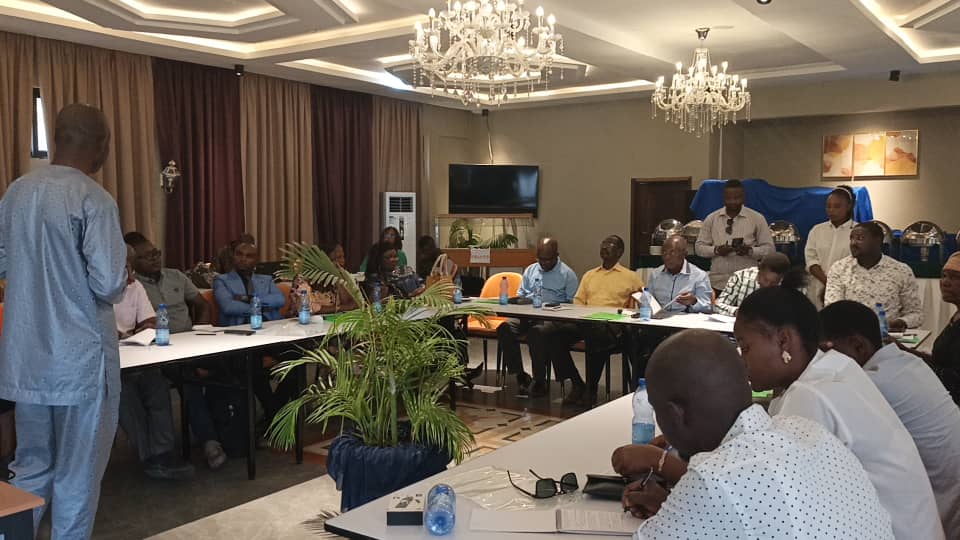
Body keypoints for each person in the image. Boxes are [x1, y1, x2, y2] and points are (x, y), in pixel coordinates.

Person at [614, 330, 893, 539]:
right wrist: (680, 510)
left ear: (676, 413)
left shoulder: (714, 479)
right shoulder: (810, 431)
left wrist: (681, 509)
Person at [0, 103, 128, 538]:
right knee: (78, 474)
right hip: (80, 361)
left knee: (30, 468)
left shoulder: (16, 192)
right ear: (101, 145)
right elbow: (108, 284)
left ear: (57, 138)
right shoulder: (94, 199)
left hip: (27, 358)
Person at [735, 286, 944, 540]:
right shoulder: (835, 366)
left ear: (783, 341)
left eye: (746, 347)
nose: (741, 359)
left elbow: (780, 498)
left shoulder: (809, 395)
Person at [821, 300, 960, 536]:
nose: (823, 360)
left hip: (943, 503)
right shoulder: (905, 362)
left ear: (858, 345)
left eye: (827, 351)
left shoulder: (874, 383)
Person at [126, 233, 230, 469]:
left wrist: (199, 330)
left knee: (230, 365)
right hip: (160, 351)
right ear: (133, 262)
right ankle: (210, 441)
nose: (155, 259)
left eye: (156, 253)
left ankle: (231, 429)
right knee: (189, 380)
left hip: (192, 342)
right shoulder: (133, 287)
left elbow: (202, 305)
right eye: (147, 257)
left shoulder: (176, 276)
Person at [116, 244, 194, 481]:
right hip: (105, 364)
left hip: (135, 354)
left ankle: (163, 453)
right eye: (124, 268)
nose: (131, 275)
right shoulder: (92, 290)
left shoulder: (135, 286)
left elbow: (151, 321)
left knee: (157, 385)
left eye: (130, 268)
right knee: (125, 394)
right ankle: (149, 458)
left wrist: (132, 333)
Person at [549, 235, 644, 406]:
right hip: (585, 322)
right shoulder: (590, 275)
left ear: (620, 252)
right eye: (603, 244)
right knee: (554, 335)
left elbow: (643, 300)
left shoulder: (630, 276)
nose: (605, 247)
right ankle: (577, 383)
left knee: (596, 335)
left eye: (610, 245)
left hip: (612, 327)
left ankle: (591, 389)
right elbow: (578, 302)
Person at [496, 238, 579, 396]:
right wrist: (521, 301)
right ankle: (520, 375)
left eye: (547, 260)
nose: (543, 263)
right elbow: (521, 293)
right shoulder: (531, 270)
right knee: (504, 328)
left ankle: (539, 380)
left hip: (552, 317)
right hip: (527, 313)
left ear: (556, 256)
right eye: (540, 259)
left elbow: (573, 304)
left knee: (537, 333)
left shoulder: (567, 274)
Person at [825, 221, 923, 330]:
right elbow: (833, 311)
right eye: (851, 238)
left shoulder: (901, 271)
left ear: (877, 241)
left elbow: (916, 314)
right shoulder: (839, 268)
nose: (853, 243)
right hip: (850, 334)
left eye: (860, 238)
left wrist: (901, 322)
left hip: (889, 335)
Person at [694, 179, 775, 292]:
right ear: (724, 197)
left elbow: (770, 250)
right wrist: (716, 250)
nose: (732, 201)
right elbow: (699, 248)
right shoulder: (712, 219)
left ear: (743, 197)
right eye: (729, 198)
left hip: (747, 284)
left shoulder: (757, 218)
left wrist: (750, 251)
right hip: (718, 283)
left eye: (737, 198)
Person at [805, 185, 856, 307]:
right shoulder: (817, 230)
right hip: (817, 287)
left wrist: (835, 284)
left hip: (845, 288)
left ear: (849, 206)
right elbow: (811, 260)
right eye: (828, 206)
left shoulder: (857, 231)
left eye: (837, 206)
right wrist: (826, 281)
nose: (831, 210)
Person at [213, 242, 285, 327]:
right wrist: (262, 309)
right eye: (239, 254)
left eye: (249, 256)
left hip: (269, 325)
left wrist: (247, 298)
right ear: (233, 257)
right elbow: (228, 307)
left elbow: (279, 300)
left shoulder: (266, 280)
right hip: (238, 328)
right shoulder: (221, 280)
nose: (243, 259)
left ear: (256, 260)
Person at [714, 252, 800, 316]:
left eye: (774, 283)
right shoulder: (741, 277)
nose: (767, 285)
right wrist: (738, 312)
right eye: (765, 279)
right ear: (759, 270)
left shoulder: (790, 285)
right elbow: (717, 305)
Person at [644, 235, 712, 314]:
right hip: (659, 318)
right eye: (664, 252)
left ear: (684, 254)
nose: (667, 257)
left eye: (672, 252)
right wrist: (644, 301)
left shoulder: (699, 276)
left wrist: (694, 301)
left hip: (685, 319)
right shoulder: (656, 274)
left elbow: (707, 308)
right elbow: (648, 301)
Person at [288, 242, 358, 315]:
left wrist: (338, 281)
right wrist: (341, 308)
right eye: (337, 258)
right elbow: (309, 308)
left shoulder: (337, 277)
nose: (342, 261)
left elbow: (353, 304)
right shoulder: (302, 279)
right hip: (304, 321)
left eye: (343, 257)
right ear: (321, 261)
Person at [930, 253, 960, 403]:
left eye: (955, 277)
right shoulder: (957, 316)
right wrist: (905, 352)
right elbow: (941, 361)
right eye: (944, 276)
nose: (945, 283)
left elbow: (955, 379)